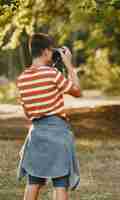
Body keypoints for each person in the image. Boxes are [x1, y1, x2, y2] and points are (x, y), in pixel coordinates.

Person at [16, 33, 81, 200]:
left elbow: (27, 113)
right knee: (60, 184)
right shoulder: (52, 74)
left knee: (33, 182)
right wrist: (68, 65)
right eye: (52, 51)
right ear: (45, 52)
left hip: (36, 133)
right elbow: (77, 91)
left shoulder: (22, 79)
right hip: (58, 132)